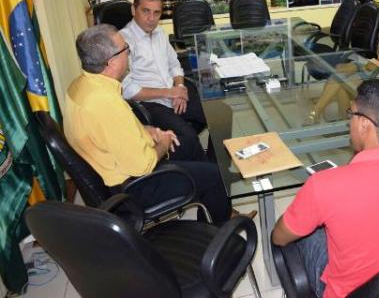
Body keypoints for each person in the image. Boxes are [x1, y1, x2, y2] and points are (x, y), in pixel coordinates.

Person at [273, 79, 379, 298]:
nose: (349, 122)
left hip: (350, 294)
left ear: (364, 124)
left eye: (350, 114)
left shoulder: (324, 185)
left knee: (299, 232)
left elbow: (280, 238)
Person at [63, 24, 246, 224]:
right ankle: (219, 232)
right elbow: (144, 164)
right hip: (133, 187)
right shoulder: (106, 103)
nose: (129, 53)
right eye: (126, 49)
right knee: (215, 175)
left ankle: (216, 211)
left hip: (119, 164)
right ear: (112, 62)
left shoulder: (82, 86)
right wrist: (164, 143)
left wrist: (148, 130)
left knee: (191, 148)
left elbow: (109, 130)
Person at [121, 0, 207, 162]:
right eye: (145, 11)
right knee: (189, 137)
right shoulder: (123, 41)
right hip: (150, 103)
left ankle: (215, 163)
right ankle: (204, 175)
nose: (151, 19)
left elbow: (175, 64)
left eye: (157, 13)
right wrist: (169, 93)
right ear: (133, 10)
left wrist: (180, 88)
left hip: (173, 91)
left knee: (220, 114)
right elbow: (128, 89)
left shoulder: (160, 33)